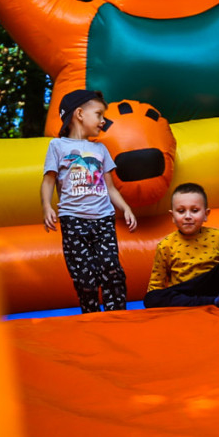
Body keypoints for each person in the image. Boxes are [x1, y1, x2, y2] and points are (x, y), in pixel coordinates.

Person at [41, 88, 137, 313]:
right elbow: (48, 181)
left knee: (112, 269)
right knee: (84, 276)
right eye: (99, 115)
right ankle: (92, 318)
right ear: (80, 114)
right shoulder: (57, 146)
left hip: (103, 219)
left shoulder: (100, 149)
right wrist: (47, 206)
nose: (103, 121)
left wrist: (125, 208)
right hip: (73, 220)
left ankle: (117, 316)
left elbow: (110, 187)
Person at [145, 182, 219, 310]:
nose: (188, 216)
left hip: (215, 285)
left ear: (206, 214)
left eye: (195, 210)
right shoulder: (165, 245)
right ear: (173, 216)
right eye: (181, 211)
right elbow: (156, 283)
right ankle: (214, 301)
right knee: (151, 297)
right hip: (187, 292)